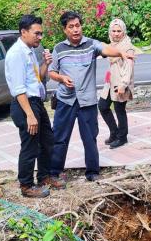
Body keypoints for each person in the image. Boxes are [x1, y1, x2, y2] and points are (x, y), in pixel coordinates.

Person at [48, 11, 134, 182]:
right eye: (71, 27)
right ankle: (54, 172)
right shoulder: (59, 48)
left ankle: (92, 172)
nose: (75, 30)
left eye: (78, 26)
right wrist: (62, 78)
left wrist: (121, 53)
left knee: (90, 138)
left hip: (87, 101)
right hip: (65, 100)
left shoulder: (90, 45)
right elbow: (52, 72)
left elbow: (106, 49)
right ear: (65, 30)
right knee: (59, 137)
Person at [5, 14, 65, 198]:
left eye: (41, 34)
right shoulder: (16, 54)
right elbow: (18, 88)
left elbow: (37, 78)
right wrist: (29, 115)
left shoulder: (29, 51)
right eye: (36, 33)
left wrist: (45, 64)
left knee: (47, 140)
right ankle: (26, 185)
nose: (40, 37)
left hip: (36, 103)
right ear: (24, 32)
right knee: (30, 147)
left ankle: (44, 176)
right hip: (25, 105)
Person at [99, 18, 135, 149]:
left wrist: (123, 85)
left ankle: (122, 137)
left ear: (123, 31)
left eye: (119, 31)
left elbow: (129, 67)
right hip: (110, 82)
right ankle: (114, 132)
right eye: (113, 31)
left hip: (120, 83)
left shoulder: (127, 47)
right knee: (102, 106)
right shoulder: (112, 45)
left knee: (120, 110)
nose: (116, 33)